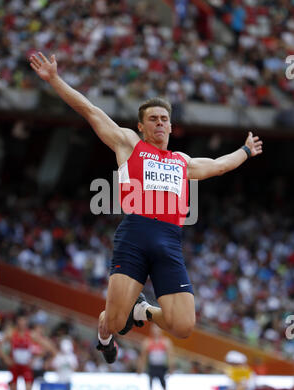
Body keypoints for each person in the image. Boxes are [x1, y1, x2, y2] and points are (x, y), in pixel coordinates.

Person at [29, 52, 263, 365]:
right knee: (113, 322)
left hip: (169, 241)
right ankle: (105, 337)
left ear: (171, 126)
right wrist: (55, 79)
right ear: (141, 126)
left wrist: (246, 151)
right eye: (153, 119)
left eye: (164, 119)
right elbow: (90, 111)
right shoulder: (129, 144)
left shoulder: (183, 162)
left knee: (183, 326)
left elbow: (220, 165)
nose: (160, 123)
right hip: (135, 236)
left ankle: (143, 310)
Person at [0, 310, 57, 390]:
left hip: (26, 365)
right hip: (15, 365)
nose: (22, 323)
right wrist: (5, 358)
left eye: (24, 321)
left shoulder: (31, 335)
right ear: (17, 322)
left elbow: (49, 348)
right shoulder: (11, 333)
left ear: (26, 322)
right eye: (20, 321)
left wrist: (36, 358)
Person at [138, 324, 174, 390]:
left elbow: (170, 356)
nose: (156, 331)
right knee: (150, 382)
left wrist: (171, 368)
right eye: (154, 329)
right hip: (152, 366)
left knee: (163, 382)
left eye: (157, 329)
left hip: (161, 366)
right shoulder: (147, 342)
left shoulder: (166, 342)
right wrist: (140, 368)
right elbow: (143, 357)